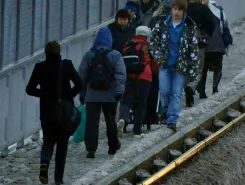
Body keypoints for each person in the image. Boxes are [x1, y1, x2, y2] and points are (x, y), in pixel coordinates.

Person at [26, 41, 82, 185]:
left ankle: (44, 163)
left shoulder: (40, 67)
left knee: (48, 141)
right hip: (65, 112)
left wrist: (45, 94)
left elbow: (30, 89)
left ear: (45, 53)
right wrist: (68, 96)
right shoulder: (67, 65)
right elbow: (80, 84)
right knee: (62, 145)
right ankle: (58, 180)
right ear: (59, 52)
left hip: (47, 112)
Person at [149, 0, 201, 131]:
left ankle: (172, 120)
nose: (176, 12)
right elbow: (152, 41)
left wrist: (193, 69)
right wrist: (159, 57)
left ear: (184, 11)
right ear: (171, 9)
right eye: (175, 9)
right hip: (165, 64)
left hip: (180, 66)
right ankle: (165, 111)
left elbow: (193, 49)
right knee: (164, 91)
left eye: (180, 10)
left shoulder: (189, 27)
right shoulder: (162, 23)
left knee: (176, 93)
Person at [78, 27, 126, 158]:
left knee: (91, 123)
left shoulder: (89, 54)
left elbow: (81, 75)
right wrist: (119, 91)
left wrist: (82, 93)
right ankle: (112, 146)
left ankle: (91, 149)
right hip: (110, 95)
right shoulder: (115, 55)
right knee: (110, 121)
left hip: (91, 95)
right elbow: (120, 74)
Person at [183, 0, 217, 108]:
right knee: (198, 68)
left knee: (185, 67)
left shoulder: (184, 8)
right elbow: (211, 25)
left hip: (184, 41)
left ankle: (186, 87)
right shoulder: (203, 9)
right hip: (199, 42)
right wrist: (206, 35)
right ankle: (191, 87)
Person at [119, 26, 155, 136]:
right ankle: (137, 130)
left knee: (126, 101)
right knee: (141, 103)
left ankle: (123, 121)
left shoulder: (128, 44)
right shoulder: (147, 45)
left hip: (129, 75)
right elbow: (152, 61)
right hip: (144, 76)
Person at [198, 0, 234, 97]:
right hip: (218, 45)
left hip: (205, 45)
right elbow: (225, 26)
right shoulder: (220, 10)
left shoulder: (201, 10)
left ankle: (202, 92)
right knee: (218, 68)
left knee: (203, 69)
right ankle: (215, 89)